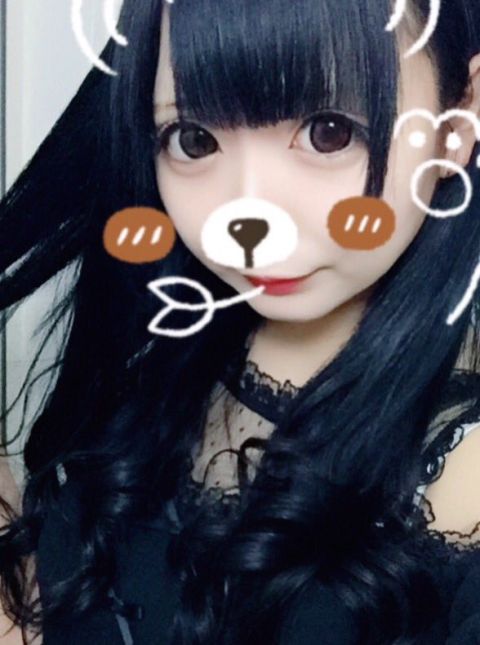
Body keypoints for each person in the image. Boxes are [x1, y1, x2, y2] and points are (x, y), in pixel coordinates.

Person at [1, 0, 480, 642]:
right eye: (193, 140)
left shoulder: (464, 473)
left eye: (329, 132)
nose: (247, 216)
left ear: (458, 121)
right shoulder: (160, 356)